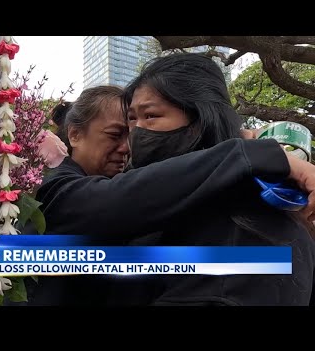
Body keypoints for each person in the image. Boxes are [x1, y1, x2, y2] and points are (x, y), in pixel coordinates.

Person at [23, 84, 315, 306]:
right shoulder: (54, 188)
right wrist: (251, 155)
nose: (129, 146)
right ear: (74, 135)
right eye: (115, 134)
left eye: (136, 130)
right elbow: (125, 196)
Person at [119, 53, 315, 305]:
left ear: (200, 121)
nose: (137, 132)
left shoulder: (246, 226)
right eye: (132, 119)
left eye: (151, 116)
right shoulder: (162, 202)